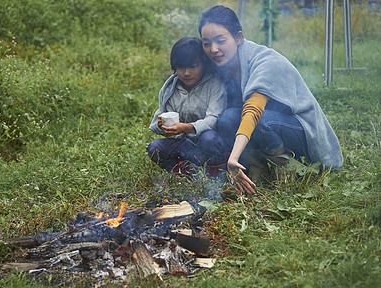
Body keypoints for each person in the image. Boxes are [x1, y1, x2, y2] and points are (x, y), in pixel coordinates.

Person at [198, 5, 343, 193]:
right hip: (262, 126)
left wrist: (232, 158)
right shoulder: (220, 65)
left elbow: (253, 110)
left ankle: (286, 167)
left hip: (300, 131)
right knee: (226, 118)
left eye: (220, 41)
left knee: (261, 121)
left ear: (238, 37)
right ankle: (258, 165)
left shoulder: (265, 61)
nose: (213, 49)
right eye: (206, 43)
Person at [147, 37, 228, 176]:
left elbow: (215, 119)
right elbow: (162, 115)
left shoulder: (214, 84)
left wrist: (189, 127)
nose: (186, 73)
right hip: (183, 144)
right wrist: (162, 126)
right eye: (181, 67)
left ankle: (215, 173)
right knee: (156, 148)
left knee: (210, 139)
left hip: (207, 141)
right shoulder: (169, 89)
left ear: (204, 65)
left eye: (193, 66)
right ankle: (188, 174)